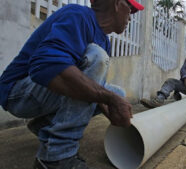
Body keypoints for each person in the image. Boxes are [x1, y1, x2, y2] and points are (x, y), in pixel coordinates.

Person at [0, 0, 144, 168]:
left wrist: (110, 109)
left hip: (39, 93)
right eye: (131, 10)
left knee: (117, 93)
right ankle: (55, 157)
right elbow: (44, 67)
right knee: (98, 59)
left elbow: (93, 90)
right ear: (118, 4)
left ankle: (46, 124)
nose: (131, 18)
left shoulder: (104, 41)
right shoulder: (77, 16)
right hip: (17, 93)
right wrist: (109, 99)